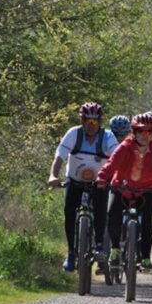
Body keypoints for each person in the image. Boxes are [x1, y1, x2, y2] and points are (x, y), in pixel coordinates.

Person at [96, 113, 152, 272]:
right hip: (122, 188)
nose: (145, 135)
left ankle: (145, 258)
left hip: (147, 191)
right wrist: (102, 178)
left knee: (147, 223)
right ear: (134, 132)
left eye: (149, 132)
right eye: (141, 131)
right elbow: (111, 164)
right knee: (113, 215)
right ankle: (115, 249)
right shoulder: (125, 147)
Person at [48, 102, 118, 272]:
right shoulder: (73, 134)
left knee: (102, 209)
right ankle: (71, 252)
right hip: (74, 181)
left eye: (95, 121)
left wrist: (117, 179)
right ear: (82, 120)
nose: (91, 125)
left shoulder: (108, 137)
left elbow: (117, 159)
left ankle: (100, 245)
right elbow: (60, 157)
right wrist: (53, 176)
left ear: (100, 121)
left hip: (99, 183)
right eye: (88, 121)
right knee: (69, 211)